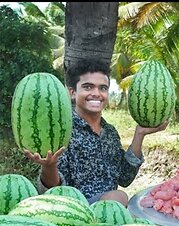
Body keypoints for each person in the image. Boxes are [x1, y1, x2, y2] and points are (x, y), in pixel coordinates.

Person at [24, 58, 168, 206]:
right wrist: (49, 166)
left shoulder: (110, 133)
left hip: (110, 211)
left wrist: (140, 134)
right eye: (88, 87)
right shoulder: (63, 132)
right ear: (72, 92)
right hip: (77, 210)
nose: (96, 93)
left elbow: (125, 178)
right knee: (118, 196)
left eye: (103, 88)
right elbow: (53, 191)